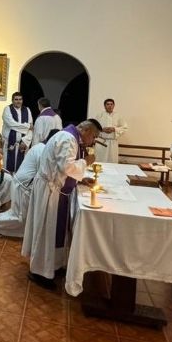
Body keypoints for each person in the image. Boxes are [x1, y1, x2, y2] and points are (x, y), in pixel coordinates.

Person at [22, 120, 101, 290]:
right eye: (93, 136)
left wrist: (81, 177)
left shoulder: (71, 137)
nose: (93, 141)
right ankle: (39, 272)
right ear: (85, 130)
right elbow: (66, 166)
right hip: (49, 191)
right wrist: (86, 161)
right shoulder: (68, 139)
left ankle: (53, 266)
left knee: (55, 231)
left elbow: (66, 167)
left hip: (54, 189)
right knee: (46, 232)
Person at [0, 129, 59, 238]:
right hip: (23, 187)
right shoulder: (42, 150)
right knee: (18, 216)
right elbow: (45, 173)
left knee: (24, 217)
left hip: (24, 185)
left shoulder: (40, 147)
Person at [1, 92, 33, 172]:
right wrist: (27, 126)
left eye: (20, 99)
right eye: (16, 99)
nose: (18, 101)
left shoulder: (27, 110)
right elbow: (11, 124)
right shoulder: (7, 109)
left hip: (22, 145)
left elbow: (31, 130)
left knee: (20, 169)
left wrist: (25, 141)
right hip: (10, 144)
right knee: (7, 169)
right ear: (12, 100)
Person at [94, 98, 127, 163]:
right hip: (101, 143)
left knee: (112, 161)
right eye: (108, 104)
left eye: (111, 104)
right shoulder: (99, 115)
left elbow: (125, 128)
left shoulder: (118, 116)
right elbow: (94, 127)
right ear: (104, 106)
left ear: (114, 105)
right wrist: (102, 129)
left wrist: (114, 129)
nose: (110, 106)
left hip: (113, 143)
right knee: (100, 161)